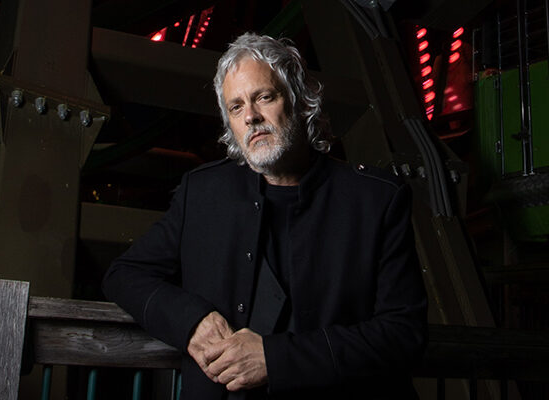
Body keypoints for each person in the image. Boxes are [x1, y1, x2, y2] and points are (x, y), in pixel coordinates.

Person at [102, 32, 427, 399]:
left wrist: (275, 359)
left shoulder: (376, 199)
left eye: (264, 97)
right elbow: (123, 275)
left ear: (300, 100)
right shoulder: (203, 192)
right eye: (236, 107)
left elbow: (404, 332)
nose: (251, 117)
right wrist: (191, 321)